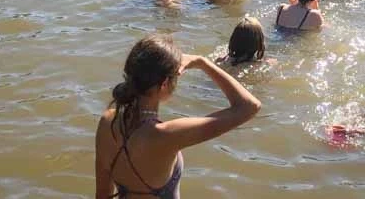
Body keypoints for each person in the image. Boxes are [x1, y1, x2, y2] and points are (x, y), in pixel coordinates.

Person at [94, 34, 261, 198]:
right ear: (165, 84)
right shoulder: (166, 135)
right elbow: (249, 106)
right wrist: (202, 63)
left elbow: (102, 195)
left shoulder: (107, 122)